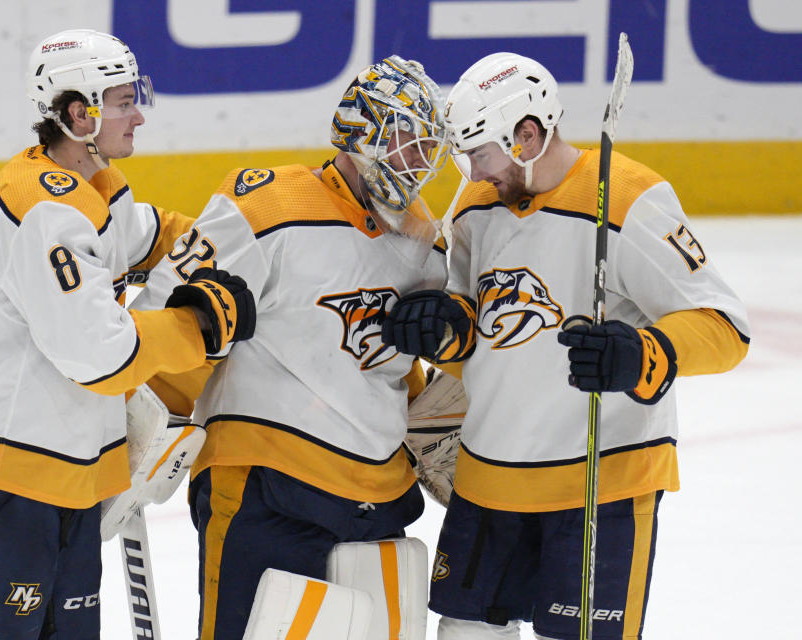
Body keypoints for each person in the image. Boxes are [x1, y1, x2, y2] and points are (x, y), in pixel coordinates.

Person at [381, 52, 750, 640]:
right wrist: (443, 327)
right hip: (488, 479)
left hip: (599, 487)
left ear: (525, 135)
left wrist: (643, 352)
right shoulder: (477, 208)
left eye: (478, 153)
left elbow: (725, 326)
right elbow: (480, 333)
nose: (472, 174)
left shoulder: (630, 198)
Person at [0, 29, 254, 639]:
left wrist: (244, 237)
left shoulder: (87, 184)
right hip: (3, 482)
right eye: (123, 102)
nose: (138, 115)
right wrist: (198, 325)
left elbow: (148, 235)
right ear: (78, 113)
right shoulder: (45, 206)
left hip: (63, 477)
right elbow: (100, 355)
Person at [131, 55, 449, 639]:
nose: (420, 162)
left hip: (379, 499)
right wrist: (139, 425)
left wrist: (435, 399)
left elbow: (403, 369)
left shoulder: (424, 242)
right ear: (360, 134)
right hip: (267, 490)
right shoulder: (270, 205)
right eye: (406, 141)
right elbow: (167, 312)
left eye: (429, 148)